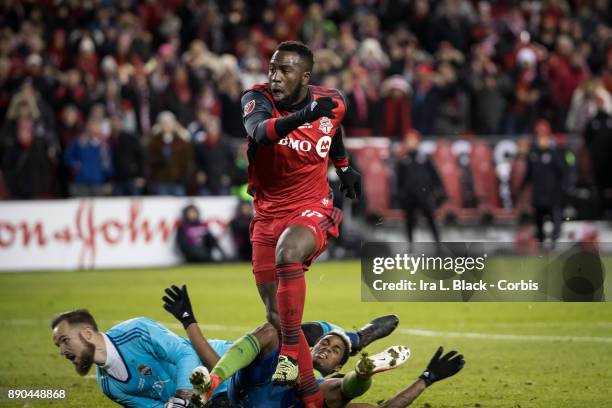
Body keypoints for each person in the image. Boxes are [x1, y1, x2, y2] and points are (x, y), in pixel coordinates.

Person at [241, 41, 362, 399]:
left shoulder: (332, 100)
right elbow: (261, 132)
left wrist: (343, 166)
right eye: (273, 68)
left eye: (285, 70)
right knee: (277, 318)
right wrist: (306, 116)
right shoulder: (256, 98)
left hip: (313, 206)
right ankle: (312, 399)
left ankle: (290, 355)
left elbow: (333, 126)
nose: (275, 76)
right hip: (267, 214)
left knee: (289, 252)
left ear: (305, 76)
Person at [162, 285, 464, 408]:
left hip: (302, 388)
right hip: (233, 389)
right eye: (324, 345)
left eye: (333, 351)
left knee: (330, 390)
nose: (325, 350)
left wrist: (426, 380)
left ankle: (360, 363)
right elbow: (216, 360)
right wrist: (188, 318)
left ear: (337, 365)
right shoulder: (275, 353)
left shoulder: (324, 388)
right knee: (273, 331)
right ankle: (357, 340)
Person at [50, 309, 233, 408]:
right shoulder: (109, 387)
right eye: (58, 345)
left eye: (65, 341)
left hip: (228, 365)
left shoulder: (135, 331)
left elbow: (186, 354)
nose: (62, 351)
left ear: (88, 335)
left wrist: (181, 398)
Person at [519, 119, 565, 244]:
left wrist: (551, 150)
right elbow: (529, 173)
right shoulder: (533, 152)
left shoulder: (555, 150)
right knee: (539, 221)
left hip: (553, 192)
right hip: (538, 192)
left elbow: (562, 169)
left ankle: (556, 242)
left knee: (555, 218)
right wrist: (521, 188)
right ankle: (540, 244)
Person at [395, 129, 445, 245]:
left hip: (424, 195)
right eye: (408, 141)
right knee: (409, 222)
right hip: (409, 197)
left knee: (431, 220)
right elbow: (398, 180)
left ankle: (438, 245)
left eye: (413, 140)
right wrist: (400, 194)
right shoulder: (403, 161)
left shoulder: (424, 159)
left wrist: (438, 188)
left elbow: (434, 175)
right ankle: (410, 245)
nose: (411, 143)